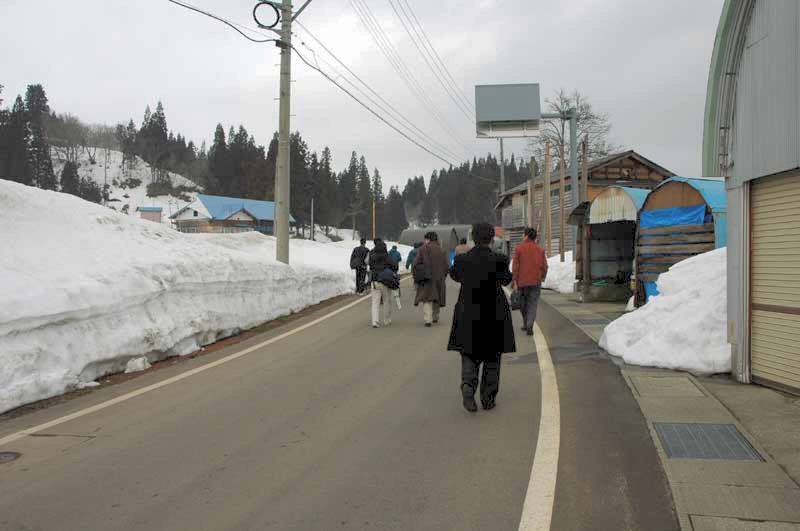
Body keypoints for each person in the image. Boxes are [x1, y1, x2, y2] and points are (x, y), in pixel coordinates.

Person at [448, 222, 515, 412]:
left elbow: (454, 275)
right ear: (491, 239)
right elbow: (506, 279)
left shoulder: (462, 260)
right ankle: (488, 398)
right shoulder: (499, 260)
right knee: (492, 357)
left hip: (468, 311)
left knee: (469, 353)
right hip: (494, 313)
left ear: (474, 238)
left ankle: (468, 387)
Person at [512, 228, 548, 336]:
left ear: (526, 236)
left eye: (524, 234)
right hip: (535, 281)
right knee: (532, 304)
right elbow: (545, 266)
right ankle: (529, 324)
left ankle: (526, 322)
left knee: (522, 304)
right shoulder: (540, 250)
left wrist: (514, 280)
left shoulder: (519, 249)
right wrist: (542, 277)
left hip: (522, 282)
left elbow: (515, 267)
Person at [413, 231, 449, 327]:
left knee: (426, 298)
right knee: (436, 298)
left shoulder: (423, 249)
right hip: (439, 278)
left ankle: (427, 320)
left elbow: (415, 264)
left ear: (428, 239)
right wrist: (443, 276)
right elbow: (447, 266)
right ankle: (435, 317)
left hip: (426, 277)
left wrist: (418, 276)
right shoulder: (442, 250)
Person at [369, 238, 396, 328]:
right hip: (385, 281)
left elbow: (369, 264)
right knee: (386, 300)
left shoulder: (371, 254)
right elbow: (394, 266)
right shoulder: (387, 256)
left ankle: (375, 322)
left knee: (375, 302)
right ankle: (386, 319)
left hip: (375, 280)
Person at [388, 245, 403, 310]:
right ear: (396, 248)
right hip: (395, 266)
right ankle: (395, 282)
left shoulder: (389, 252)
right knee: (395, 276)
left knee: (390, 275)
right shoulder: (398, 253)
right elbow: (400, 259)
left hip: (390, 267)